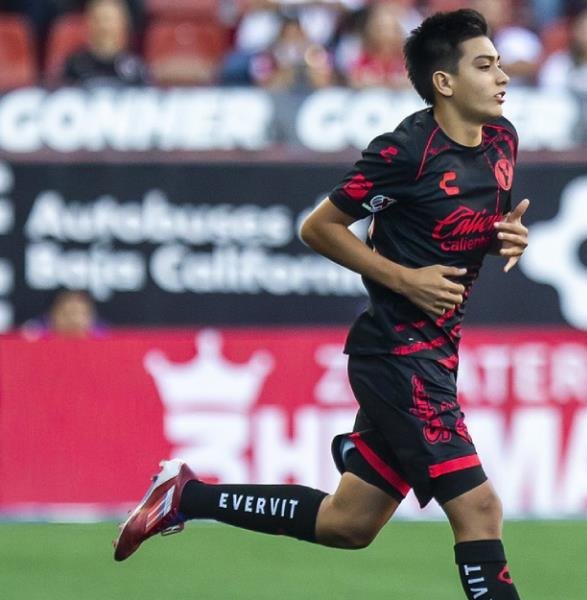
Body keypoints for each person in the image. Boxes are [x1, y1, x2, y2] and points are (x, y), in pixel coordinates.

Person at [113, 9, 529, 600]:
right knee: (480, 509)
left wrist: (506, 235)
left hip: (438, 354)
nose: (501, 76)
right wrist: (404, 280)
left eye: (499, 63)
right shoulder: (405, 152)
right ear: (444, 82)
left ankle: (187, 496)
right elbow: (320, 227)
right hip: (397, 355)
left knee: (349, 524)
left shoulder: (503, 142)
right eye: (485, 65)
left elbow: (474, 225)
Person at [60, 0, 147, 88]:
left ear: (123, 24)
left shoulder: (135, 67)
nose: (103, 26)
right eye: (97, 19)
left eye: (108, 19)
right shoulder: (75, 65)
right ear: (88, 23)